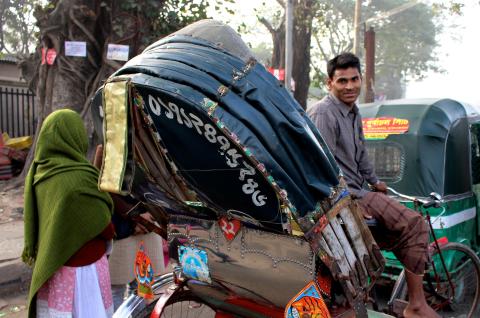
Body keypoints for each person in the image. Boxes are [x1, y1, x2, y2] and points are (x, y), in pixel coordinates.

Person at [307, 53, 439, 318]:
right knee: (416, 224)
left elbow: (361, 158)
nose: (350, 86)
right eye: (342, 81)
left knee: (399, 230)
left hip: (361, 191)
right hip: (348, 196)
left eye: (354, 79)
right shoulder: (324, 112)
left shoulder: (353, 112)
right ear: (329, 82)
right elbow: (323, 168)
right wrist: (348, 203)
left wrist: (378, 182)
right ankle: (416, 304)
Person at [22, 109, 115, 318]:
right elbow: (104, 226)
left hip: (54, 266)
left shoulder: (38, 173)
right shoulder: (80, 177)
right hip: (84, 270)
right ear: (76, 136)